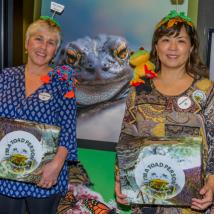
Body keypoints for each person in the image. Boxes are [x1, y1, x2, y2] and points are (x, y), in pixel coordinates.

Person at [115, 10, 214, 214]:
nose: (173, 47)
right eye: (166, 40)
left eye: (181, 41)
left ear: (192, 47)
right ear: (157, 46)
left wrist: (212, 185)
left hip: (193, 200)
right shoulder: (138, 90)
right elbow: (127, 137)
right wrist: (121, 178)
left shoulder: (206, 90)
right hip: (145, 196)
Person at [0, 16, 77, 214]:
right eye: (38, 39)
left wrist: (57, 165)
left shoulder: (62, 80)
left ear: (55, 51)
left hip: (45, 173)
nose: (43, 47)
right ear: (26, 44)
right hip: (6, 174)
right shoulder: (5, 76)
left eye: (51, 42)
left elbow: (68, 128)